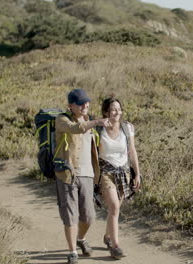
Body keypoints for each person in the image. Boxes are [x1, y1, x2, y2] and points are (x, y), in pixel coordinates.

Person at [54, 88, 113, 264]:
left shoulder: (89, 119)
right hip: (66, 174)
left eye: (86, 101)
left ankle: (80, 238)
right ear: (71, 105)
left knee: (88, 216)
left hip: (87, 174)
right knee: (70, 215)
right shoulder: (62, 119)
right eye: (80, 103)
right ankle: (72, 252)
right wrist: (96, 122)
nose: (85, 105)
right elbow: (75, 129)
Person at [97, 97, 141, 259]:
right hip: (106, 172)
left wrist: (137, 173)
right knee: (114, 206)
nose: (117, 112)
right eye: (113, 109)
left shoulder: (127, 128)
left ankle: (108, 237)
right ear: (105, 112)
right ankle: (115, 246)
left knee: (114, 209)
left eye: (119, 109)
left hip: (123, 173)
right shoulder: (98, 129)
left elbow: (132, 151)